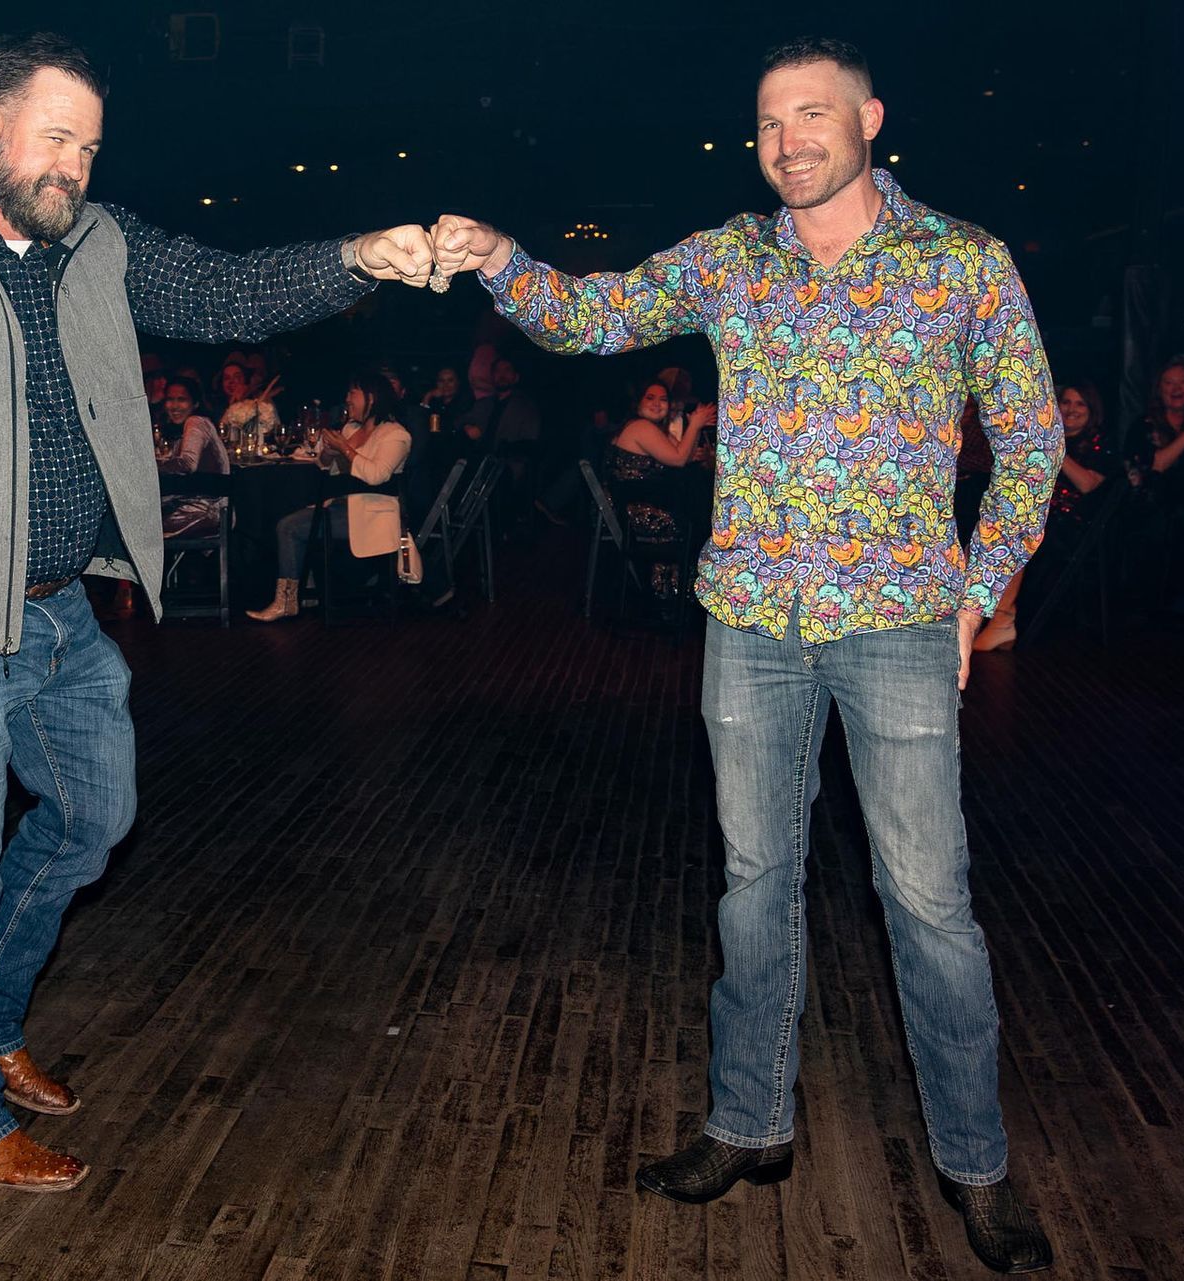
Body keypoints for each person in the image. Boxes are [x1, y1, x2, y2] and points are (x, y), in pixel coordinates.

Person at [0, 31, 435, 1194]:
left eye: (91, 149)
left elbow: (225, 288)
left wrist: (358, 257)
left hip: (60, 610)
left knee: (92, 823)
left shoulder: (93, 240)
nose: (76, 168)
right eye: (57, 139)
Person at [431, 35, 1059, 1274]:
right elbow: (594, 316)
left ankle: (977, 1164)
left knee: (928, 903)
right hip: (753, 623)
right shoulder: (731, 259)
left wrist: (975, 596)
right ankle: (748, 1122)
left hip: (897, 623)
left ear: (870, 119)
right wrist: (501, 258)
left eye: (813, 114)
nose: (788, 141)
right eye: (770, 122)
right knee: (753, 885)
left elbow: (1032, 442)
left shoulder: (961, 262)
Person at [247, 368, 411, 622]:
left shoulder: (396, 434)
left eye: (353, 393)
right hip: (342, 507)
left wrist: (344, 448)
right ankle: (294, 596)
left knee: (290, 527)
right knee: (286, 521)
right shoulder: (351, 429)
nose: (347, 399)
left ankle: (290, 599)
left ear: (371, 397)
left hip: (374, 514)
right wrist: (330, 453)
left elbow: (376, 475)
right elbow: (329, 468)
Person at [974, 381, 1117, 651]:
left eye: (1080, 404)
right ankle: (977, 618)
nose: (1071, 409)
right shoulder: (1045, 438)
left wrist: (1054, 448)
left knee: (1018, 533)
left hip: (1073, 524)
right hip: (1039, 514)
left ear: (1091, 410)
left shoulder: (1099, 444)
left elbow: (1087, 484)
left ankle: (1002, 619)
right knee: (991, 525)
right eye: (1066, 402)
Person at [604, 381, 717, 603]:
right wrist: (694, 425)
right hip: (638, 514)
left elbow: (683, 455)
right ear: (638, 402)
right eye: (650, 398)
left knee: (701, 507)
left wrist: (694, 428)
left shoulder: (653, 429)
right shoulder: (641, 427)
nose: (657, 403)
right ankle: (681, 595)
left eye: (663, 399)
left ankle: (682, 593)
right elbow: (678, 459)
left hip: (643, 507)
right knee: (701, 518)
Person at [156, 374, 227, 537]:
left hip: (205, 513)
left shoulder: (196, 422)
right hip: (191, 506)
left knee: (137, 525)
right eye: (170, 399)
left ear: (195, 403)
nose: (174, 406)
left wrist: (147, 466)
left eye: (181, 400)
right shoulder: (182, 430)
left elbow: (188, 464)